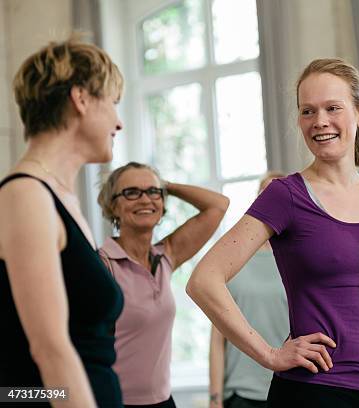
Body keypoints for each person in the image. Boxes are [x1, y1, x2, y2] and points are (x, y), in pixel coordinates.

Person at [187, 58, 359, 408]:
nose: (320, 122)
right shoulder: (285, 195)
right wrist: (269, 354)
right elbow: (204, 279)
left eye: (333, 108)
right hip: (309, 392)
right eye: (307, 112)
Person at [0, 37, 124, 407]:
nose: (119, 123)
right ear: (81, 98)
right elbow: (49, 349)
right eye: (113, 103)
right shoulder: (25, 197)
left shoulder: (61, 200)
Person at [97, 161, 229, 408]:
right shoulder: (102, 265)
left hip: (163, 401)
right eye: (132, 192)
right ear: (113, 205)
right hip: (115, 401)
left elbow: (218, 205)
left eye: (152, 192)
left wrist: (165, 186)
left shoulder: (165, 255)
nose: (145, 199)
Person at [209, 172, 290, 408]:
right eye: (266, 193)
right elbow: (217, 338)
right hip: (241, 395)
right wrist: (215, 398)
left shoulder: (302, 258)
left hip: (293, 390)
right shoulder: (234, 258)